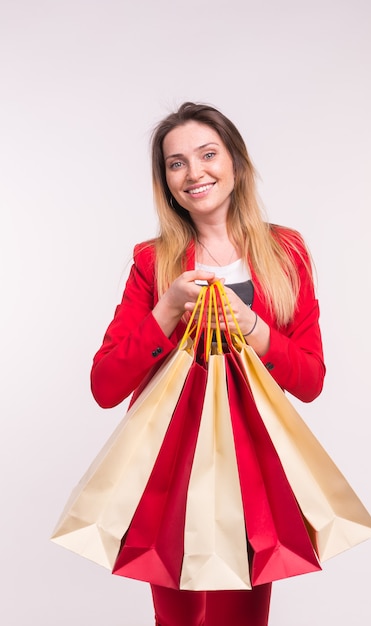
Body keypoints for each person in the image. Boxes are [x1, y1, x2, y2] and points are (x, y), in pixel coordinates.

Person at [90, 102, 325, 626]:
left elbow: (310, 380)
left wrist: (256, 330)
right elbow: (105, 385)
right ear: (166, 181)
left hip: (254, 472)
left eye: (207, 154)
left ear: (236, 164)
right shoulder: (152, 262)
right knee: (180, 620)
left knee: (242, 619)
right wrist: (166, 309)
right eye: (176, 163)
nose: (194, 172)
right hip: (170, 476)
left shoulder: (286, 253)